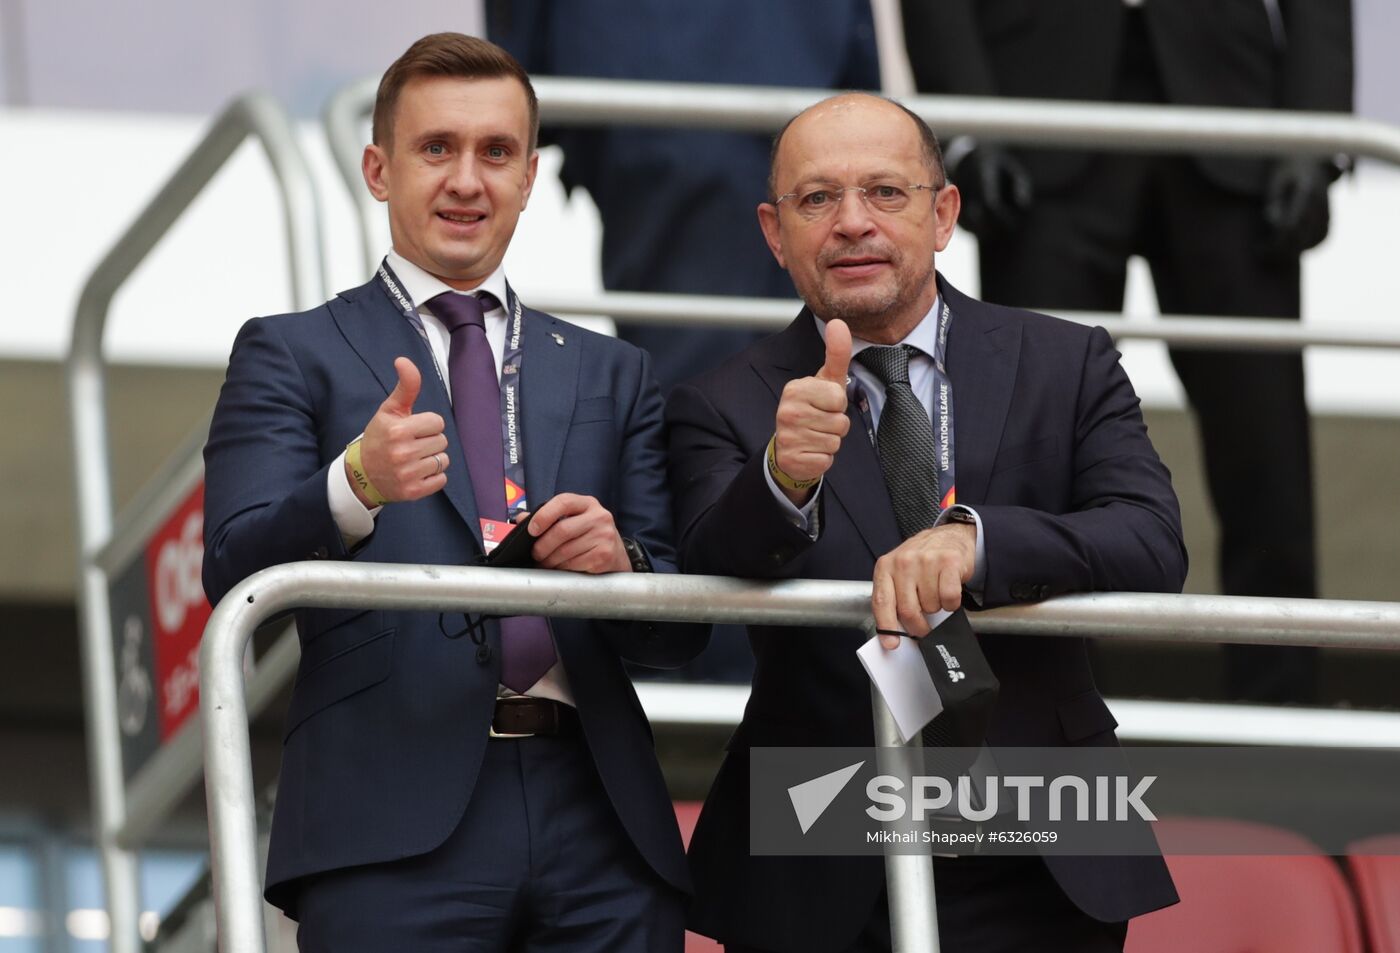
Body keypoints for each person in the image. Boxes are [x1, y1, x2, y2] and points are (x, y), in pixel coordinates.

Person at [202, 33, 704, 952]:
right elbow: (232, 567)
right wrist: (354, 484)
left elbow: (681, 629)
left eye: (496, 153)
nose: (467, 179)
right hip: (386, 822)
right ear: (377, 168)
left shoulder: (613, 370)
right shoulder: (288, 350)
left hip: (600, 817)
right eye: (437, 149)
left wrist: (621, 565)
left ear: (529, 176)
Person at [666, 93, 1186, 952]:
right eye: (818, 199)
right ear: (774, 231)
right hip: (819, 828)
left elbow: (1151, 542)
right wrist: (783, 476)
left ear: (944, 213)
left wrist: (978, 541)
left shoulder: (1067, 360)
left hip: (1037, 828)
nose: (852, 223)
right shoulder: (721, 401)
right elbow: (708, 561)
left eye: (886, 192)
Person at [899, 0, 1355, 704]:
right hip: (1035, 115)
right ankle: (1040, 707)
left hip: (1236, 118)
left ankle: (1283, 707)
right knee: (1024, 440)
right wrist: (965, 131)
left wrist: (1315, 139)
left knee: (1264, 439)